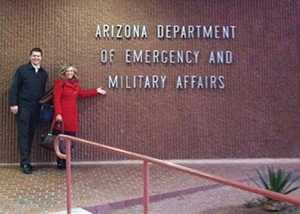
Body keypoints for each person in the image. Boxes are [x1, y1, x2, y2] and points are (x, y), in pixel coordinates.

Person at [53, 65, 106, 169]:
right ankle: (61, 162)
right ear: (64, 72)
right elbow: (56, 99)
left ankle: (67, 160)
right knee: (61, 140)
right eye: (68, 71)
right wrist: (58, 113)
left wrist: (96, 91)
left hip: (72, 117)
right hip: (62, 116)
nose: (70, 73)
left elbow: (82, 94)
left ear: (74, 73)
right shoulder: (60, 83)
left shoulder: (75, 85)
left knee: (70, 140)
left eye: (72, 71)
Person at [9, 48, 48, 174]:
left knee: (30, 134)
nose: (36, 58)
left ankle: (26, 161)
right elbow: (14, 87)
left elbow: (42, 92)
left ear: (41, 57)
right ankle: (25, 163)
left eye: (38, 56)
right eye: (34, 56)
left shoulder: (43, 73)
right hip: (23, 107)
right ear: (30, 56)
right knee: (24, 135)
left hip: (36, 109)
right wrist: (13, 104)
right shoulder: (22, 70)